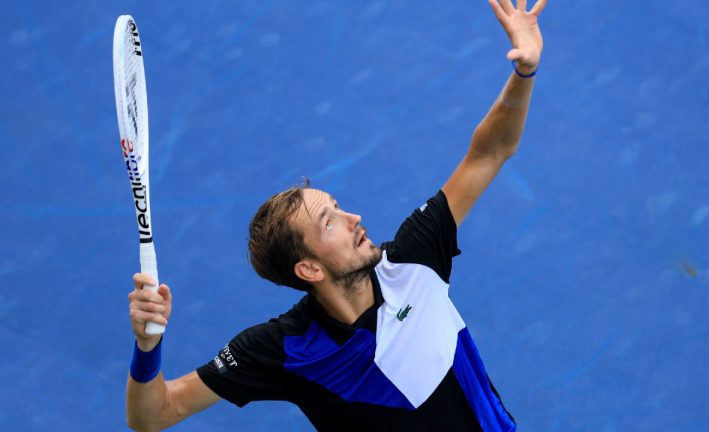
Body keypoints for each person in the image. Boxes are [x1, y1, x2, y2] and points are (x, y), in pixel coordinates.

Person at [126, 0, 547, 430]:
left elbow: (489, 152)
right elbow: (155, 414)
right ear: (308, 268)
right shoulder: (284, 348)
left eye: (338, 208)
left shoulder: (413, 260)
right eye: (329, 221)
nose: (354, 219)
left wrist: (524, 73)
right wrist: (147, 345)